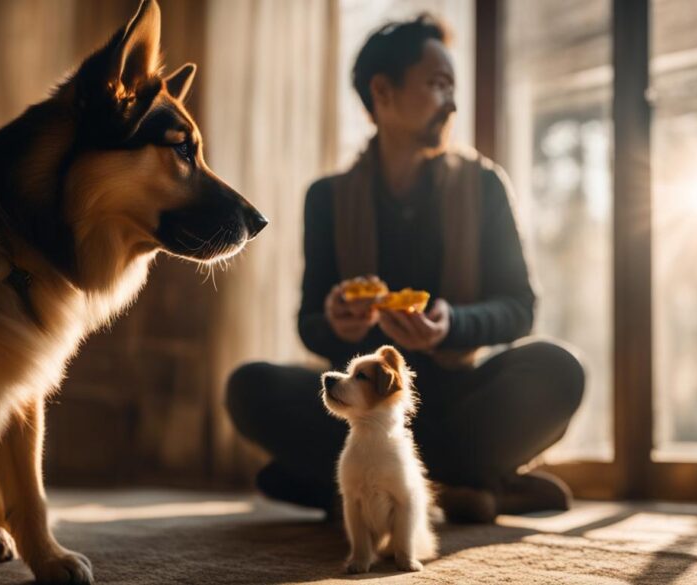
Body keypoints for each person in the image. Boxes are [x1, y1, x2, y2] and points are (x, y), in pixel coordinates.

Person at [226, 14, 586, 523]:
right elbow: (310, 323)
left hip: (460, 403)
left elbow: (519, 308)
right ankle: (469, 488)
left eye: (453, 87)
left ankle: (364, 490)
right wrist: (334, 321)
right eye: (438, 85)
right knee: (249, 387)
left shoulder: (484, 185)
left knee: (559, 369)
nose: (452, 103)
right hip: (364, 410)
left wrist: (451, 324)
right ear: (383, 91)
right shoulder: (327, 198)